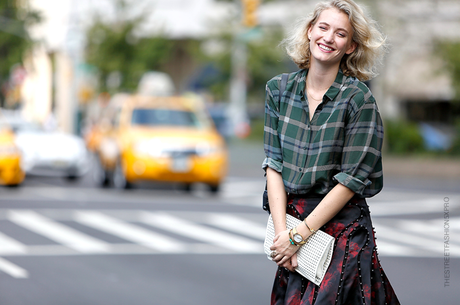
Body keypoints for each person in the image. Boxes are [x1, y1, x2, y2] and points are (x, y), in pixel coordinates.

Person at [262, 0, 400, 304]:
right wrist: (284, 236)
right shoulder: (279, 90)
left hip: (341, 228)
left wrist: (299, 237)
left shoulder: (359, 99)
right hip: (292, 226)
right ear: (310, 31)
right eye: (323, 27)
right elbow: (273, 166)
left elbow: (351, 181)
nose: (328, 38)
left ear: (350, 46)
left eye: (340, 34)